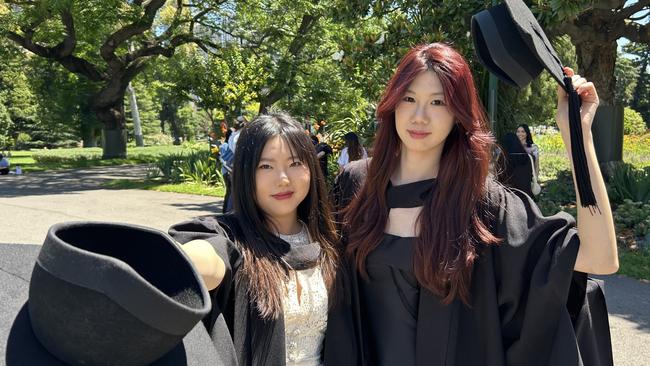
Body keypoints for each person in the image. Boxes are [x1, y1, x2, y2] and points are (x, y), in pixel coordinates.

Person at [325, 43, 617, 366]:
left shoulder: (483, 206)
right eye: (409, 98)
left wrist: (579, 134)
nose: (419, 116)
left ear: (458, 115)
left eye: (438, 102)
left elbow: (600, 257)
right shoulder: (356, 188)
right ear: (392, 103)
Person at [169, 112, 341, 366]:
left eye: (295, 163)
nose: (283, 179)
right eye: (266, 166)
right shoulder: (232, 239)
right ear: (246, 173)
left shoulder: (329, 242)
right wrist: (191, 263)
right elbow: (206, 258)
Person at [497, 132, 534, 196]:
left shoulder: (503, 159)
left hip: (509, 197)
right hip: (526, 195)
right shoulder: (527, 157)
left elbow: (499, 178)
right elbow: (530, 176)